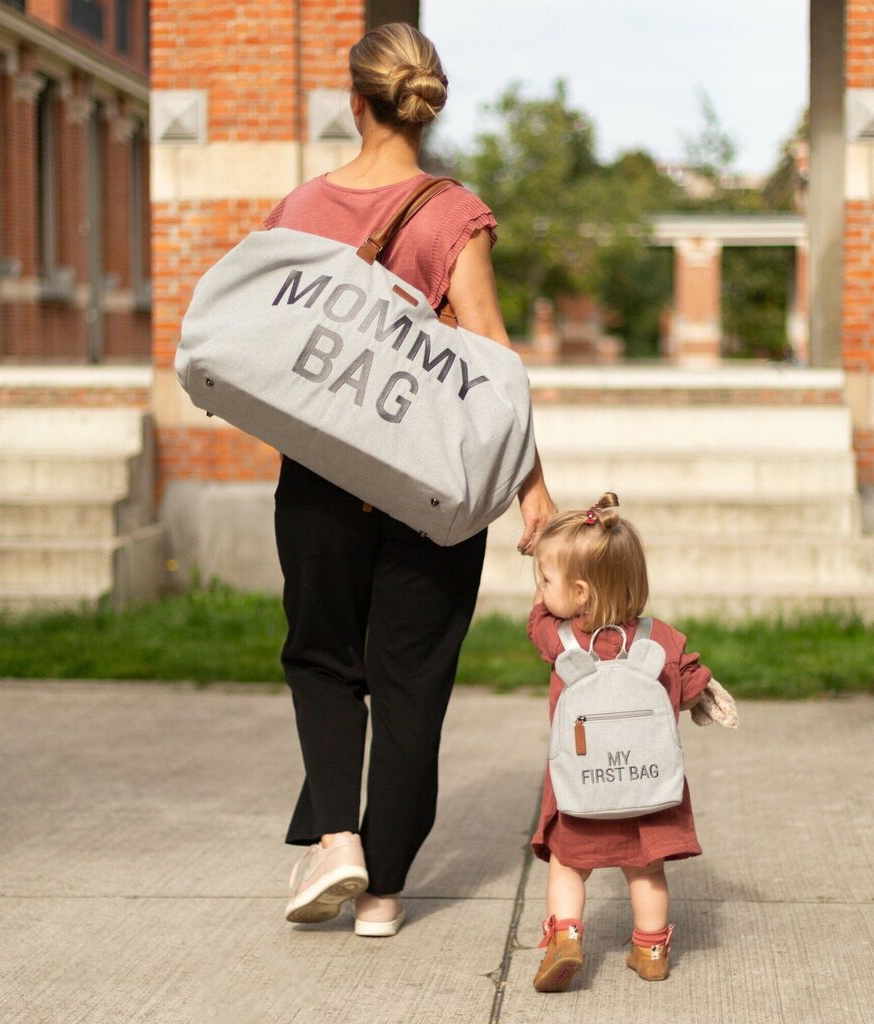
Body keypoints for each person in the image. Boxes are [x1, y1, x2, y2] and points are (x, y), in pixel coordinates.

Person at [265, 23, 555, 937]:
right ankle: (383, 892)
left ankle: (337, 840)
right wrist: (531, 490)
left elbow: (273, 350)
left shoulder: (297, 211)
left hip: (319, 480)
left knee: (321, 659)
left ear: (357, 100)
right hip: (430, 491)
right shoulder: (450, 215)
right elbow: (492, 363)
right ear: (426, 106)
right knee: (409, 684)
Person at [527, 492, 713, 990]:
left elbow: (537, 621)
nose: (541, 591)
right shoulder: (661, 639)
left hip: (583, 786)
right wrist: (703, 696)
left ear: (580, 593)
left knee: (568, 865)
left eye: (546, 581)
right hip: (645, 789)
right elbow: (691, 682)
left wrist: (545, 588)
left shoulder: (560, 639)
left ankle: (565, 939)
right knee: (646, 869)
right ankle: (651, 949)